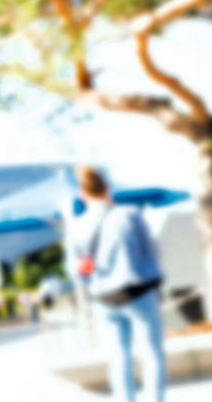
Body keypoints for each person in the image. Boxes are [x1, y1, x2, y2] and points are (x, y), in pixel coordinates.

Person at [70, 165, 169, 402]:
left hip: (103, 298)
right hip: (139, 291)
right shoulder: (130, 214)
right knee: (152, 354)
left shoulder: (76, 226)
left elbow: (76, 271)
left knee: (118, 358)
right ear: (107, 189)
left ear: (83, 195)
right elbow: (152, 252)